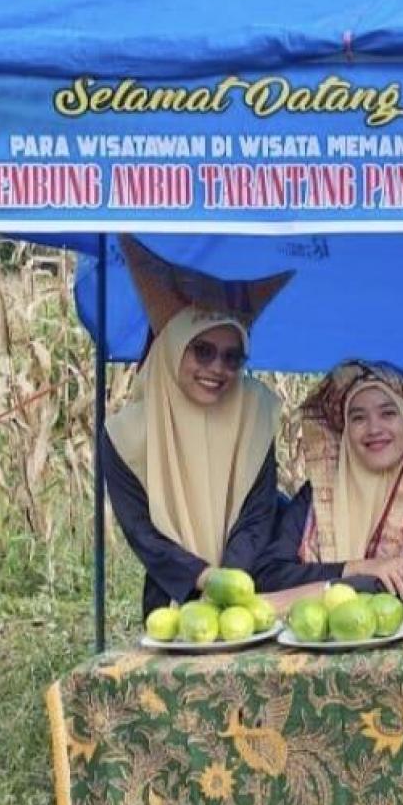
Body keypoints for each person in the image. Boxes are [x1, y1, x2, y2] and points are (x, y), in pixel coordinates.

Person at [103, 236, 292, 619]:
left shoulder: (255, 412)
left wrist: (230, 586)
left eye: (232, 357)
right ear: (173, 347)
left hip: (251, 594)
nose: (217, 369)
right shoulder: (125, 435)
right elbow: (144, 534)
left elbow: (257, 517)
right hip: (175, 599)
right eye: (202, 351)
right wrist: (206, 582)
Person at [256, 360, 403, 599]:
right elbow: (270, 576)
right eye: (358, 418)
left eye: (388, 413)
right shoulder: (319, 493)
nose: (374, 429)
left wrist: (319, 588)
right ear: (345, 428)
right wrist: (356, 568)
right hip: (309, 625)